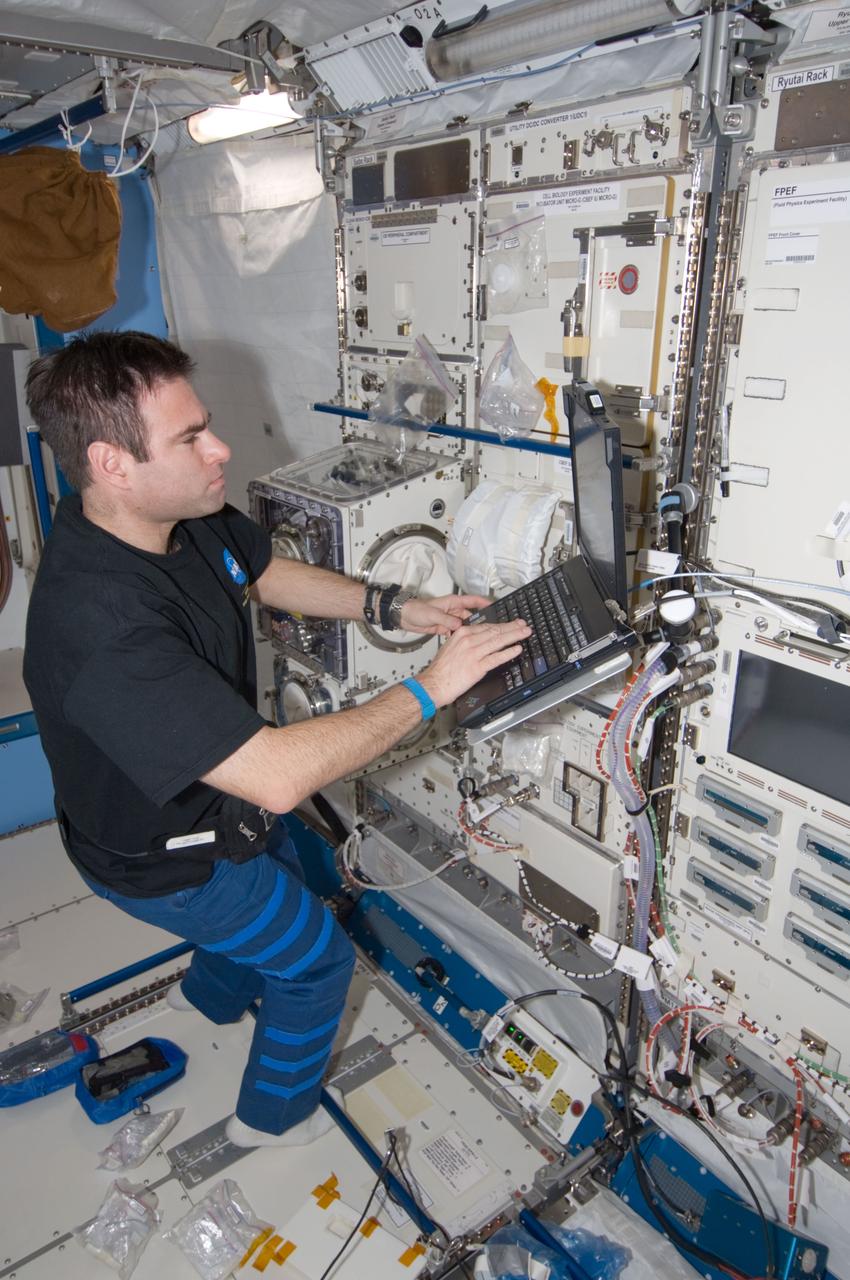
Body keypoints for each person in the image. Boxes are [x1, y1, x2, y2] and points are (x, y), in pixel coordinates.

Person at [22, 330, 530, 1148]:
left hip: (219, 810)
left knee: (284, 890)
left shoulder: (172, 519)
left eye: (207, 423)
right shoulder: (98, 626)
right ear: (113, 463)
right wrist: (435, 685)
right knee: (317, 961)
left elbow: (254, 567)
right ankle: (268, 1124)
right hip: (166, 862)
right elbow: (278, 777)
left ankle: (211, 1002)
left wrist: (395, 606)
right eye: (190, 438)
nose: (220, 448)